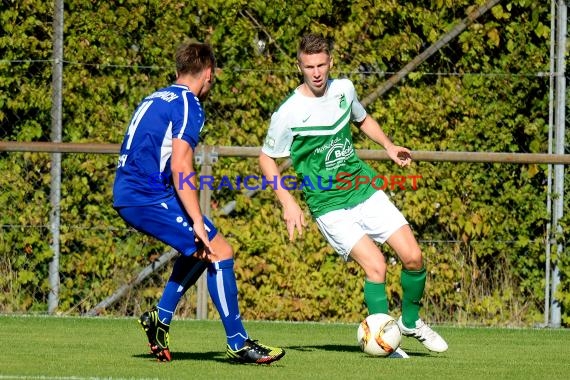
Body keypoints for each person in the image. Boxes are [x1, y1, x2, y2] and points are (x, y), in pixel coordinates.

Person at [259, 33, 448, 358]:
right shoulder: (288, 112)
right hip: (328, 205)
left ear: (330, 62)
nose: (316, 72)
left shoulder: (344, 89)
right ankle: (383, 343)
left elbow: (361, 119)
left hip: (362, 188)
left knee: (413, 257)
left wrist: (388, 146)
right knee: (376, 266)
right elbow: (266, 158)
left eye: (321, 64)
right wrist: (287, 201)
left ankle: (410, 322)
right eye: (309, 66)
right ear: (299, 66)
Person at [113, 40, 285, 364]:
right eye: (213, 78)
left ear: (178, 70)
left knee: (201, 247)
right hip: (145, 196)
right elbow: (180, 164)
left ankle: (159, 319)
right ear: (208, 73)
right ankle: (238, 342)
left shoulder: (156, 97)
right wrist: (195, 217)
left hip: (136, 190)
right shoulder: (189, 103)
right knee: (220, 249)